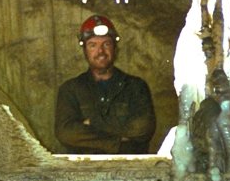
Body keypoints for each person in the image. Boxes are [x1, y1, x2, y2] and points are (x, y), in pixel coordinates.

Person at [54, 15, 156, 154]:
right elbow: (66, 133)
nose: (100, 51)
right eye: (93, 45)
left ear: (115, 48)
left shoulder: (135, 87)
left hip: (129, 169)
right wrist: (117, 142)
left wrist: (93, 123)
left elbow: (143, 129)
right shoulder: (71, 89)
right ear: (85, 50)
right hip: (85, 170)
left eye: (106, 44)